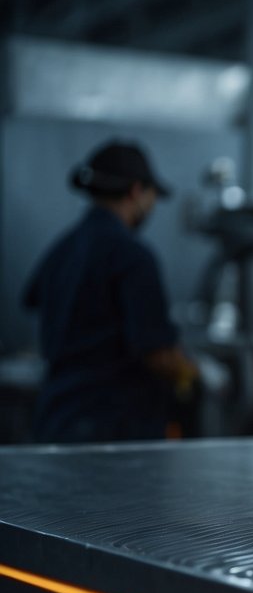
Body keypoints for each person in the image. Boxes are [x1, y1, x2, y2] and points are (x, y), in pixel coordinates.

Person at [22, 140, 196, 443]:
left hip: (55, 419)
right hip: (112, 432)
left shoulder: (64, 248)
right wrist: (194, 373)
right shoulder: (132, 255)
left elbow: (30, 298)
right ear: (136, 192)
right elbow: (156, 353)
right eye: (152, 196)